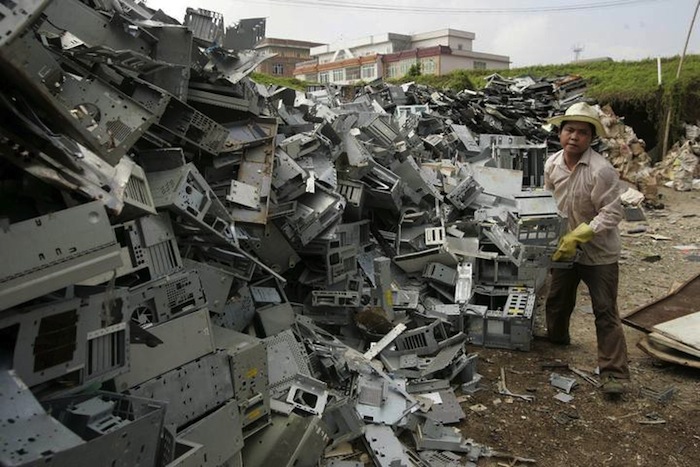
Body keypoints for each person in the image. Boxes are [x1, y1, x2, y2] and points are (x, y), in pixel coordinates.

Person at [544, 102, 629, 395]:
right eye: (569, 130)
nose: (574, 137)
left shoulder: (601, 170)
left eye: (582, 132)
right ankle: (556, 340)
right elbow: (548, 201)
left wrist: (582, 233)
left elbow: (612, 212)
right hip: (564, 249)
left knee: (605, 310)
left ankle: (614, 373)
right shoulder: (552, 163)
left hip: (598, 252)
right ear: (560, 133)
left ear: (591, 138)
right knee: (557, 301)